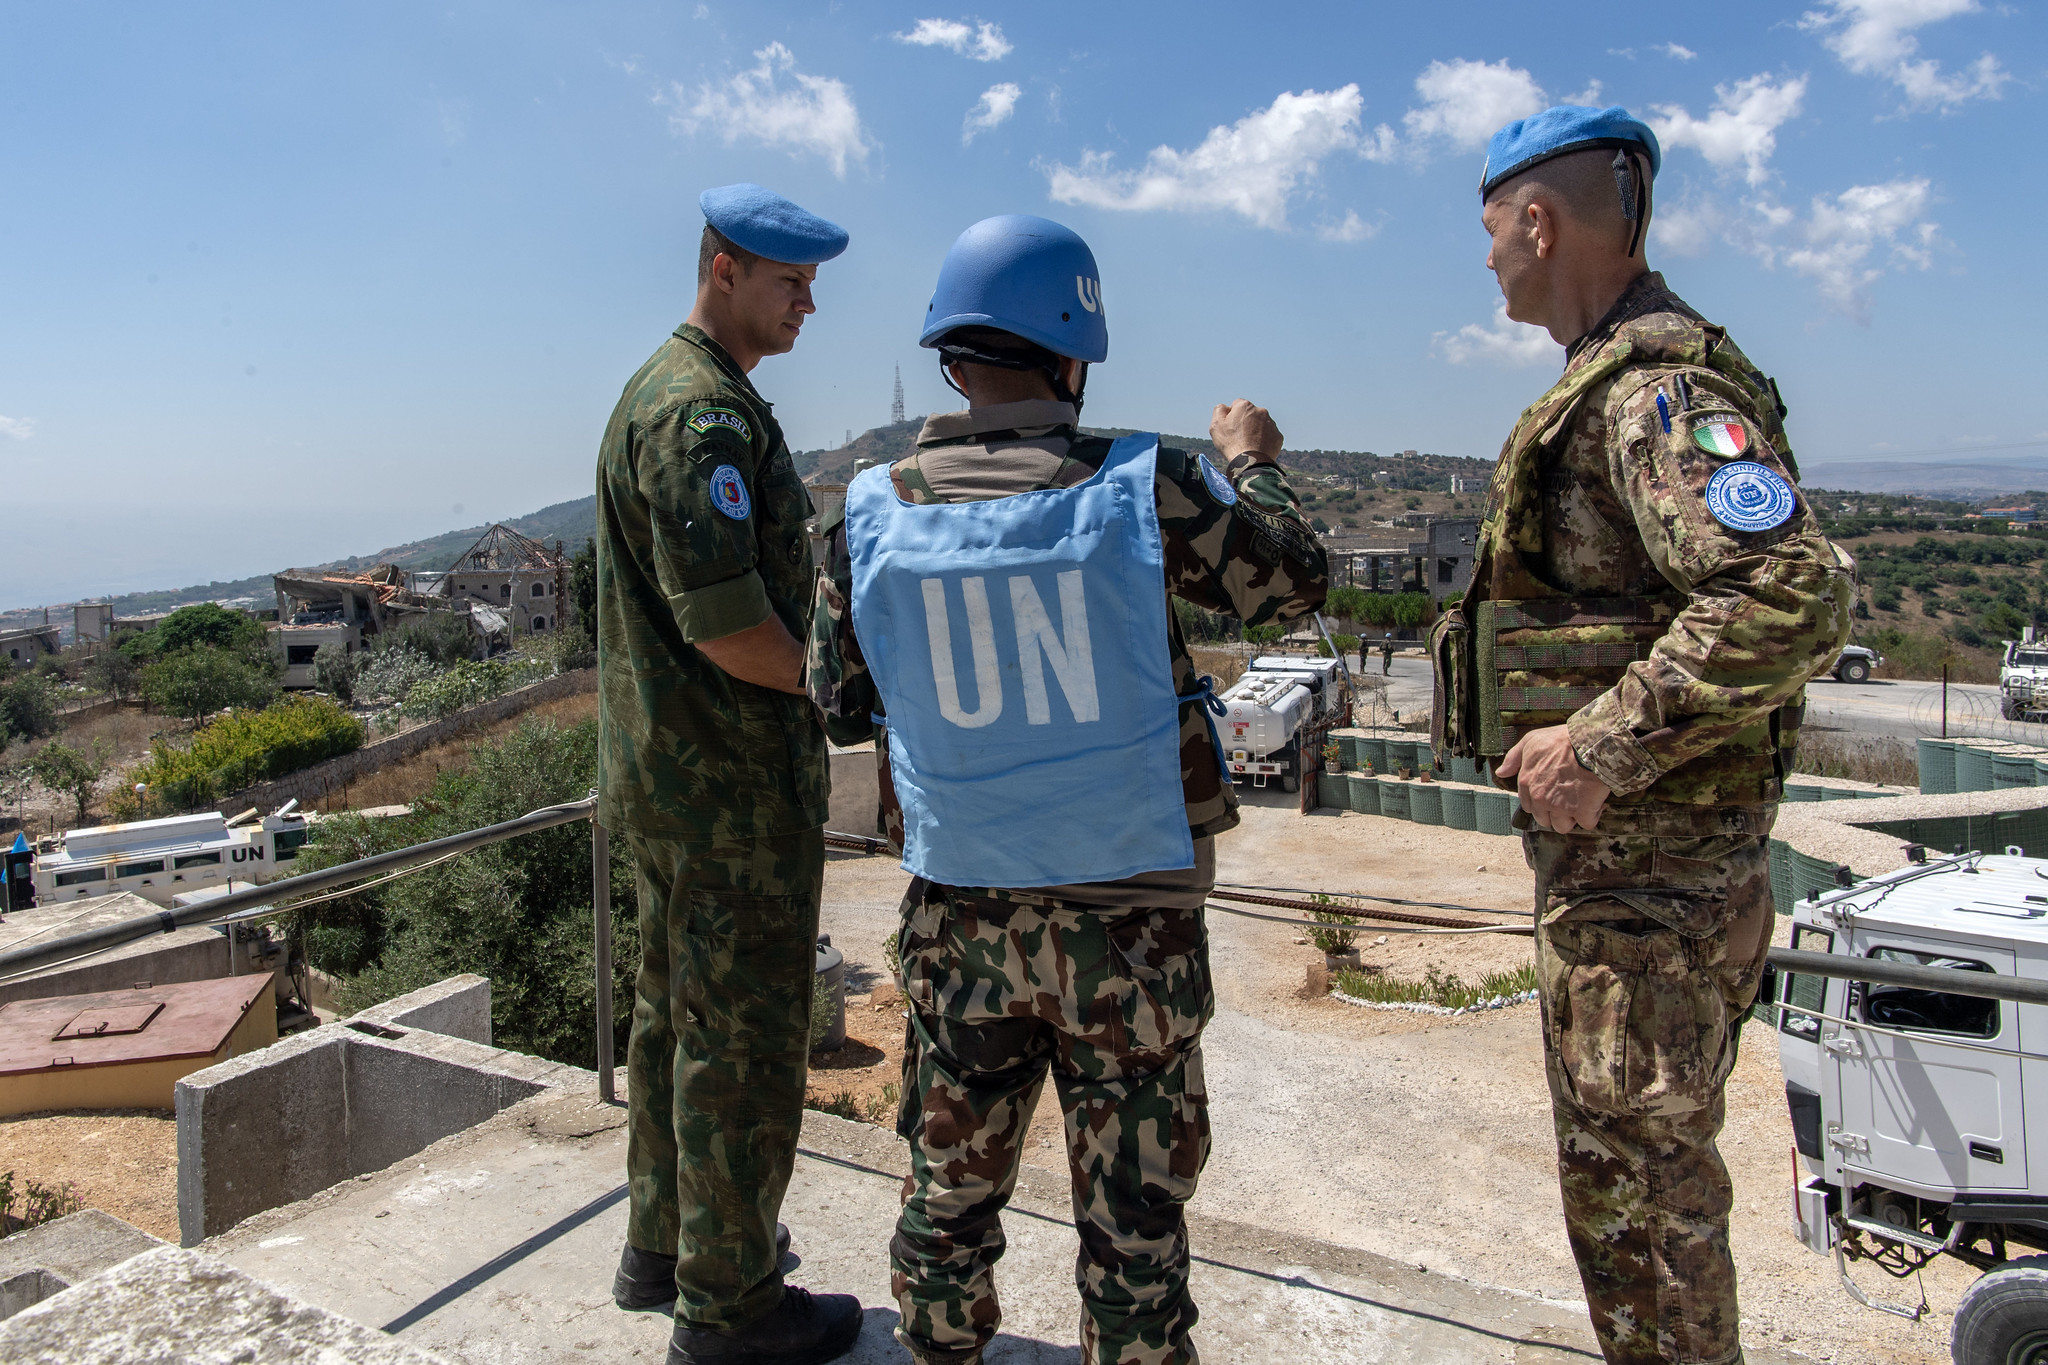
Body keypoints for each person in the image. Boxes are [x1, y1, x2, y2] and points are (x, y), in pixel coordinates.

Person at [807, 215, 1327, 1365]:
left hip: (962, 922)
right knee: (1133, 1231)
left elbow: (837, 706)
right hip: (1131, 927)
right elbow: (1292, 583)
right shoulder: (1149, 485)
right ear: (1071, 352)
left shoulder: (862, 515)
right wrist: (1253, 463)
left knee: (946, 1207)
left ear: (953, 355)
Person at [1431, 107, 1853, 1364]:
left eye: (1490, 232)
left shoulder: (1658, 392)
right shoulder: (1616, 380)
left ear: (1537, 220)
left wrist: (1596, 745)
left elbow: (1791, 590)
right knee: (1625, 1198)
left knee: (1648, 1212)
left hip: (1650, 900)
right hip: (1643, 895)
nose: (1487, 261)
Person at [596, 182, 863, 1365]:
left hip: (672, 780)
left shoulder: (678, 395)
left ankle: (666, 1245)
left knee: (671, 1017)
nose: (809, 306)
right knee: (742, 1041)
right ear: (722, 270)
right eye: (789, 284)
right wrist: (832, 688)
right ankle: (731, 1304)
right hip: (727, 794)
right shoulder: (699, 416)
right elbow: (724, 625)